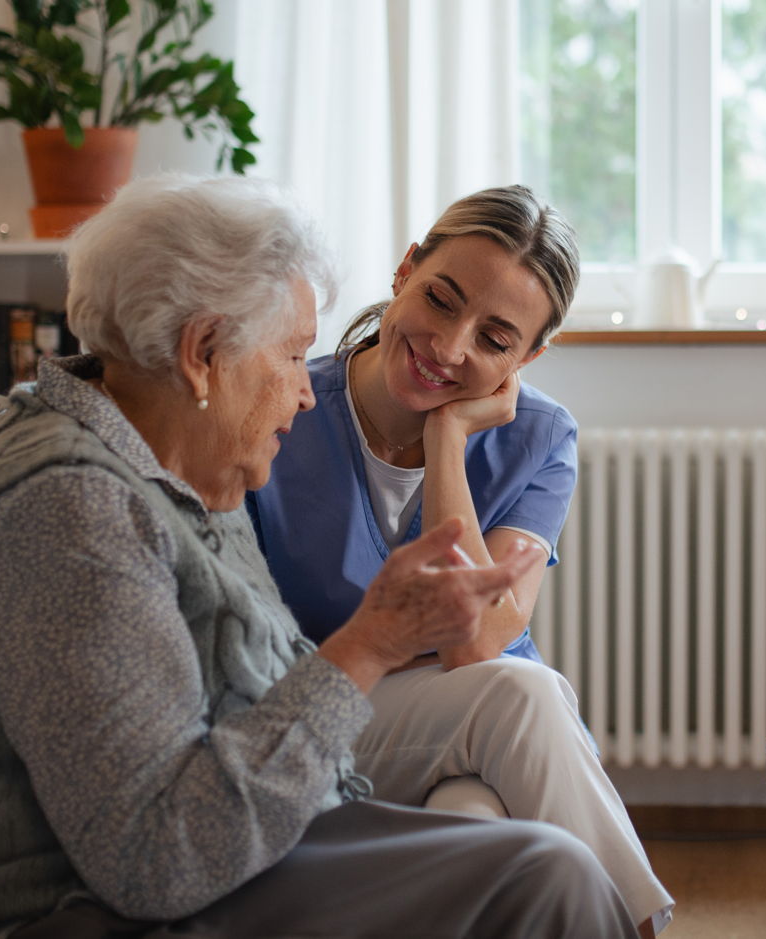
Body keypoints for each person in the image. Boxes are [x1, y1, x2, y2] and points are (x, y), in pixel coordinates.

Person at [0, 174, 635, 939]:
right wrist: (372, 641)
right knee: (542, 873)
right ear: (204, 354)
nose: (308, 393)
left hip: (231, 825)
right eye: (295, 354)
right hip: (67, 905)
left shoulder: (181, 461)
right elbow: (156, 859)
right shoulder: (67, 510)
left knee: (519, 847)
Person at [248, 185, 674, 935]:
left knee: (483, 829)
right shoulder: (286, 404)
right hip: (328, 717)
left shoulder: (541, 438)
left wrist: (447, 437)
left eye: (495, 338)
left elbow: (472, 640)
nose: (450, 347)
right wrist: (453, 422)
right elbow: (484, 653)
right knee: (521, 692)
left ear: (529, 357)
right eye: (442, 300)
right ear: (405, 270)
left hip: (472, 734)